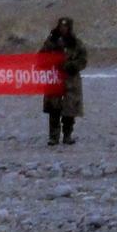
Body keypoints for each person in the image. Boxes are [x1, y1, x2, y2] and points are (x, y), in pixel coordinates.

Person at [41, 17, 87, 146]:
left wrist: (71, 66)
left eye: (66, 27)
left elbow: (83, 60)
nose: (63, 29)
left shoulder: (76, 44)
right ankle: (53, 137)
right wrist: (51, 63)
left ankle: (67, 135)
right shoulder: (51, 42)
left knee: (69, 110)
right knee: (54, 109)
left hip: (71, 81)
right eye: (61, 26)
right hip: (54, 79)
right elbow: (41, 57)